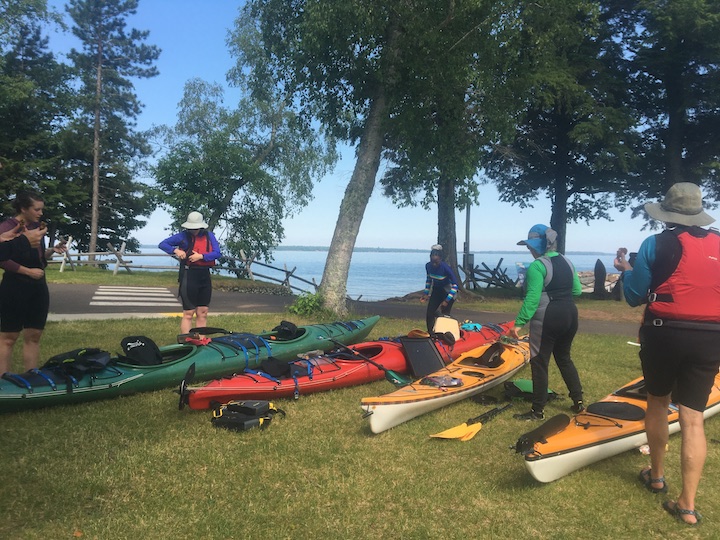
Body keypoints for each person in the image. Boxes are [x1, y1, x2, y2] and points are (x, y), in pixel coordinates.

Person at [614, 182, 720, 526]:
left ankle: (657, 475)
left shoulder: (655, 243)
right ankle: (687, 505)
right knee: (692, 417)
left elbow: (634, 296)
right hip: (711, 337)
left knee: (658, 401)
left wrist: (627, 271)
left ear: (667, 213)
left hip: (664, 332)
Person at [510, 224, 584, 420]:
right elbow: (577, 291)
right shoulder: (567, 262)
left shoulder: (537, 266)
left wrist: (519, 323)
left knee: (539, 361)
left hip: (548, 317)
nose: (529, 250)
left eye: (530, 246)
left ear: (537, 246)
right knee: (564, 358)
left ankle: (537, 411)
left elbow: (532, 298)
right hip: (570, 315)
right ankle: (579, 402)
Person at [0, 191, 66, 374]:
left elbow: (38, 257)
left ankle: (32, 377)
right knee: (9, 336)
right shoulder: (7, 227)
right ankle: (3, 382)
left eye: (41, 209)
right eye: (36, 209)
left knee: (34, 334)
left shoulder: (37, 227)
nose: (40, 213)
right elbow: (3, 258)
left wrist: (52, 250)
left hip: (38, 286)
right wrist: (27, 272)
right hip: (15, 285)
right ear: (23, 209)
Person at [159, 211, 222, 333]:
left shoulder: (209, 236)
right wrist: (175, 251)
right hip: (189, 275)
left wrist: (202, 256)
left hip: (204, 275)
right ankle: (186, 341)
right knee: (188, 313)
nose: (193, 230)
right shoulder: (183, 236)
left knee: (202, 312)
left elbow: (217, 253)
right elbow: (163, 244)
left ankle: (201, 342)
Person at [420, 244, 459, 333]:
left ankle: (446, 332)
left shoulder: (445, 268)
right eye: (432, 261)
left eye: (436, 262)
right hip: (436, 290)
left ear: (440, 259)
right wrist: (426, 293)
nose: (434, 264)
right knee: (430, 313)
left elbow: (455, 285)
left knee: (445, 315)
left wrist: (447, 300)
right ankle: (430, 332)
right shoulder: (428, 266)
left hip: (447, 291)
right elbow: (429, 279)